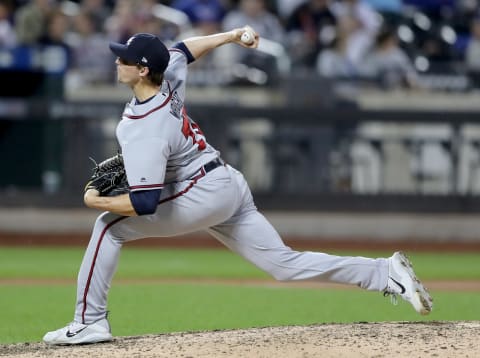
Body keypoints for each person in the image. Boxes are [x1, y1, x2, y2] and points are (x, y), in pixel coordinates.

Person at [42, 25, 433, 345]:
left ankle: (90, 321)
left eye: (124, 58)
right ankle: (384, 273)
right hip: (226, 183)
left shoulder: (142, 126)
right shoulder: (167, 77)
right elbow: (182, 49)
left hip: (203, 192)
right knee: (283, 264)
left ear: (143, 70)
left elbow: (145, 204)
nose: (117, 60)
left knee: (108, 226)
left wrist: (97, 203)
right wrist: (230, 35)